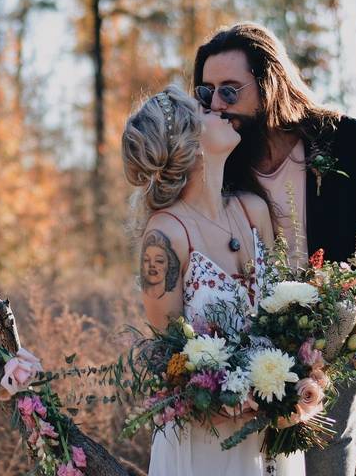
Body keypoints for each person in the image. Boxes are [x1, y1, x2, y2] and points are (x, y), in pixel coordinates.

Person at [192, 22, 356, 476]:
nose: (216, 105)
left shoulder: (345, 142)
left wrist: (353, 332)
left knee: (328, 463)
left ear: (267, 85)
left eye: (230, 91)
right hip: (249, 346)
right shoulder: (221, 160)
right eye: (205, 92)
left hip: (335, 342)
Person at [122, 84, 304, 475]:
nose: (219, 110)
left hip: (272, 431)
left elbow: (282, 313)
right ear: (189, 142)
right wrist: (223, 395)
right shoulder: (165, 235)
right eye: (203, 110)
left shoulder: (252, 209)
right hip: (207, 439)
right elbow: (167, 356)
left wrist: (304, 372)